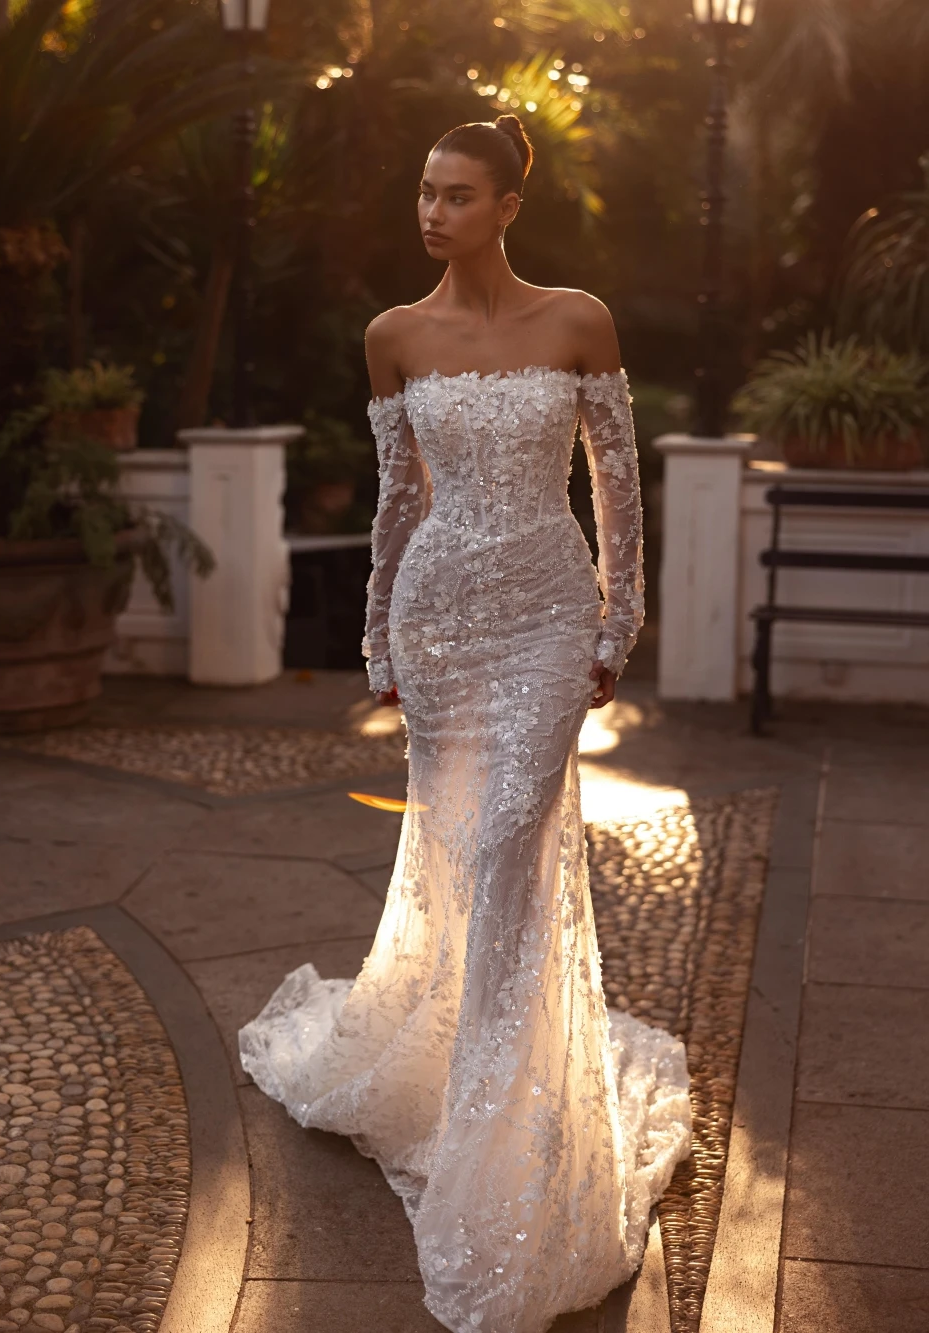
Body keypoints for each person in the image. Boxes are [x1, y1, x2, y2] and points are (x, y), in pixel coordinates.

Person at [240, 115, 691, 1333]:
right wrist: (379, 635)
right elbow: (398, 500)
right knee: (454, 847)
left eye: (455, 194)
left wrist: (616, 624)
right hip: (441, 617)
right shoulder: (393, 336)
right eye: (424, 192)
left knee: (508, 841)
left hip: (548, 613)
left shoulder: (578, 318)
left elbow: (615, 482)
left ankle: (506, 1142)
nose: (431, 212)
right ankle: (444, 1070)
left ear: (505, 206)